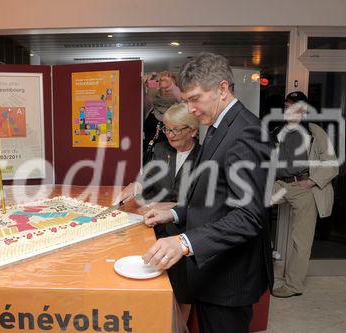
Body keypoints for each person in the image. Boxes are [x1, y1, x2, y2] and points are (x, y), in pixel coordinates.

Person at [142, 52, 274, 333]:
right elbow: (215, 199)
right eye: (186, 100)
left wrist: (184, 242)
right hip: (211, 271)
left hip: (229, 279)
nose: (190, 109)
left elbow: (249, 216)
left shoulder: (246, 133)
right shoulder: (217, 127)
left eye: (195, 99)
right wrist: (174, 213)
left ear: (223, 89)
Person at [117, 103, 200, 333]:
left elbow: (203, 202)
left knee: (184, 287)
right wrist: (136, 184)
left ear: (193, 130)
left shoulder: (205, 156)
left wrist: (170, 205)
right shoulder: (161, 149)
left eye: (176, 130)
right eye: (166, 129)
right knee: (158, 281)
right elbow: (147, 176)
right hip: (155, 227)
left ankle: (180, 328)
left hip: (185, 231)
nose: (170, 135)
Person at [271, 91, 339, 298]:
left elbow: (332, 164)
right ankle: (260, 267)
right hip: (279, 185)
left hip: (304, 187)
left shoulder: (315, 132)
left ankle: (293, 286)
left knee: (301, 240)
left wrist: (311, 181)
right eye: (287, 106)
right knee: (250, 211)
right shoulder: (277, 130)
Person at [143, 71, 183, 162]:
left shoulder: (182, 107)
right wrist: (142, 85)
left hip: (174, 159)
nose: (166, 89)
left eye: (169, 86)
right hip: (150, 158)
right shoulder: (151, 106)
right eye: (163, 85)